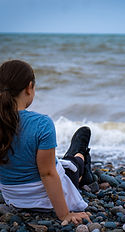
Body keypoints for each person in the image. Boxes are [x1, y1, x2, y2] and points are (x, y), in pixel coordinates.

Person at [0, 60, 94, 225]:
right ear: (29, 87)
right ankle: (82, 155)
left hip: (13, 198)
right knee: (74, 162)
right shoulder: (41, 123)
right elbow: (47, 174)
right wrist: (65, 215)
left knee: (62, 163)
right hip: (44, 198)